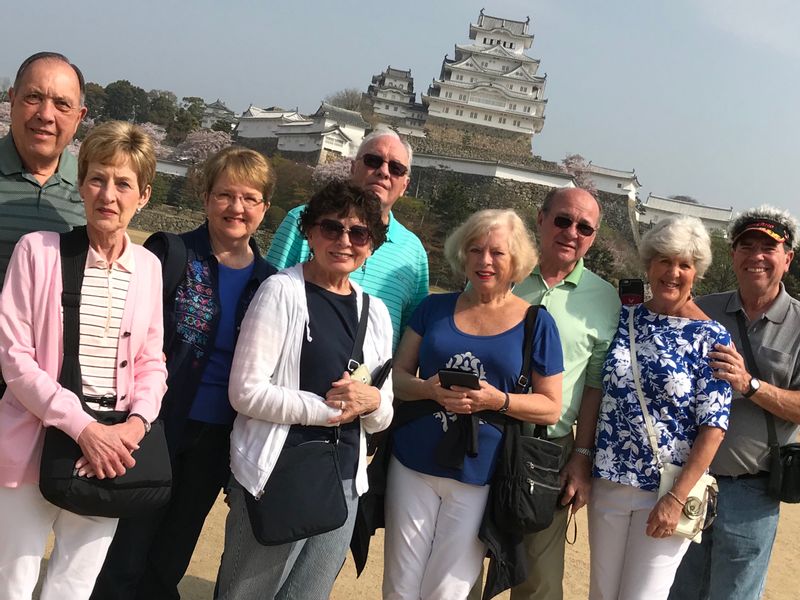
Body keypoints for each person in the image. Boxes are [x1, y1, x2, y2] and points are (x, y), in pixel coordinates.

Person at [91, 147, 277, 599]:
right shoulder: (169, 253)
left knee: (172, 554)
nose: (237, 208)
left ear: (265, 208)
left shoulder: (271, 282)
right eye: (225, 195)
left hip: (217, 440)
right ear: (206, 198)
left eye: (250, 198)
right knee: (125, 551)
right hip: (154, 425)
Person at [0, 120, 167, 599]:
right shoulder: (38, 252)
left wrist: (133, 427)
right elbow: (16, 359)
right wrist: (82, 428)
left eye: (123, 184)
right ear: (82, 184)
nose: (108, 194)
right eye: (97, 178)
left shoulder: (148, 268)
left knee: (74, 583)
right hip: (36, 436)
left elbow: (151, 362)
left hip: (111, 449)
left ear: (145, 196)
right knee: (12, 579)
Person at [215, 180, 394, 600]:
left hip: (345, 479)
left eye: (359, 233)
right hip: (279, 470)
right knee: (247, 592)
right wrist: (328, 410)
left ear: (372, 245)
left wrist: (372, 403)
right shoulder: (281, 291)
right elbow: (245, 391)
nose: (344, 241)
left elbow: (383, 411)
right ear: (310, 231)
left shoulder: (377, 312)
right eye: (331, 228)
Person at [383, 208, 564, 599]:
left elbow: (550, 406)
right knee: (400, 583)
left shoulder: (537, 322)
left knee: (448, 587)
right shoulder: (433, 308)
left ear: (516, 260)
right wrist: (429, 389)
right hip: (414, 459)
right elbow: (396, 378)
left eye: (497, 253)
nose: (484, 261)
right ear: (461, 255)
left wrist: (497, 399)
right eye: (475, 249)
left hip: (480, 471)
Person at [474, 187, 619, 600]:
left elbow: (594, 386)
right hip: (482, 435)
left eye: (584, 227)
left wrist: (582, 456)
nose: (572, 232)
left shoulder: (604, 298)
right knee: (461, 564)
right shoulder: (502, 273)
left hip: (548, 449)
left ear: (593, 237)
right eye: (562, 220)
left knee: (538, 582)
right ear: (540, 219)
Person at [589, 215, 732, 600]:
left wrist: (676, 498)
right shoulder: (624, 318)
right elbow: (596, 390)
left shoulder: (712, 337)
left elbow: (714, 427)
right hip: (609, 479)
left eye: (684, 264)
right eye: (665, 260)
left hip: (667, 490)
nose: (673, 272)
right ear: (649, 264)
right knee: (601, 594)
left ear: (696, 272)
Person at [670, 205, 800, 600]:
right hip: (689, 482)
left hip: (753, 494)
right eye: (747, 246)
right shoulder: (703, 311)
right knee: (678, 591)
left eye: (768, 247)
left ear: (788, 258)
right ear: (733, 255)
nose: (756, 256)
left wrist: (750, 384)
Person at [267, 127, 428, 349]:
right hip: (292, 371)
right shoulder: (303, 221)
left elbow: (410, 339)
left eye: (396, 168)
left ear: (405, 186)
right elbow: (264, 297)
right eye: (373, 160)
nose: (383, 172)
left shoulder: (414, 252)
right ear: (353, 167)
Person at [0, 51, 87, 286]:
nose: (46, 115)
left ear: (79, 117)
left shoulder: (94, 191)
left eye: (62, 104)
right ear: (12, 100)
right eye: (33, 97)